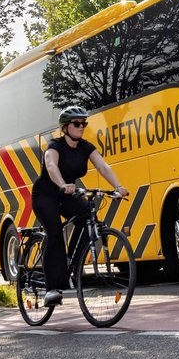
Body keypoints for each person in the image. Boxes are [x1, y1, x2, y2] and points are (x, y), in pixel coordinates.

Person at [31, 105, 130, 307]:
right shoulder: (55, 146)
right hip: (46, 195)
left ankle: (69, 261)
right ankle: (51, 288)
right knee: (55, 233)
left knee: (89, 218)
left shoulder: (86, 147)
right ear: (65, 128)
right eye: (77, 123)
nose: (82, 127)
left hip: (69, 193)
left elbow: (103, 166)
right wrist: (62, 185)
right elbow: (51, 166)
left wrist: (118, 187)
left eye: (84, 123)